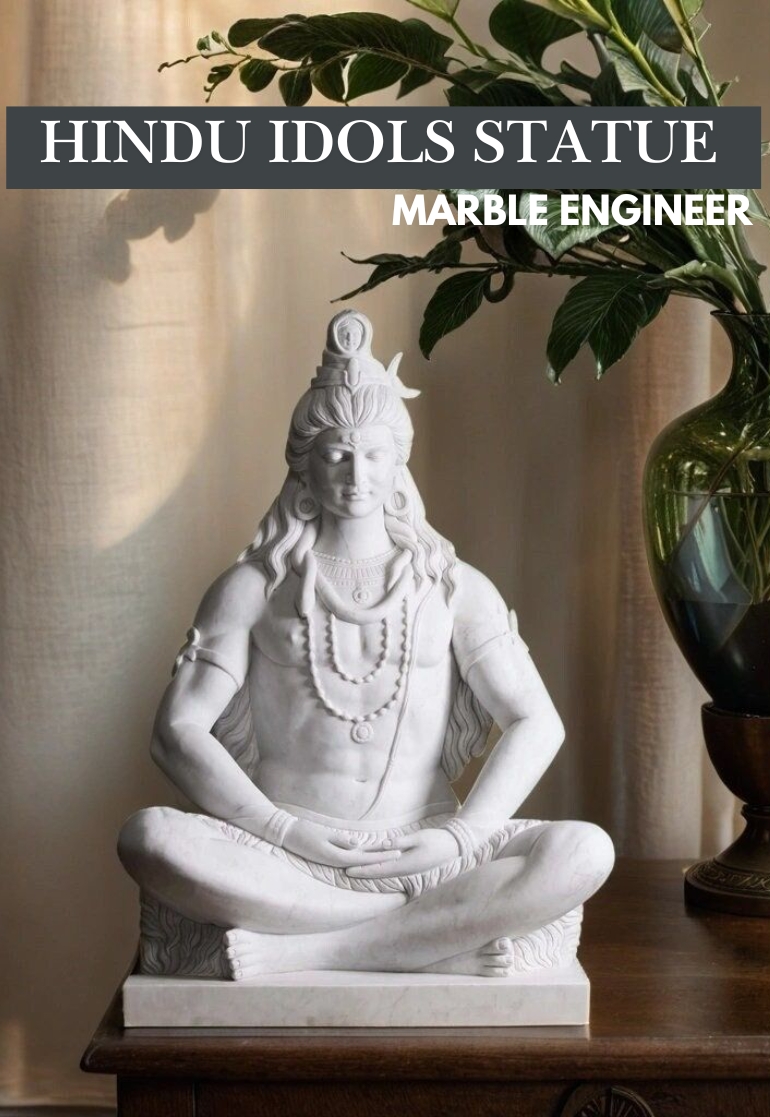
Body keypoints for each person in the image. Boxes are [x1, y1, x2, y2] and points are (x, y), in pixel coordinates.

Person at [119, 310, 614, 980]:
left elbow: (537, 721)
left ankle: (321, 948)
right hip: (287, 853)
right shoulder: (254, 587)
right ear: (305, 466)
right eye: (336, 455)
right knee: (150, 837)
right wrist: (284, 831)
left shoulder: (453, 587)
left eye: (374, 455)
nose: (357, 474)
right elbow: (176, 731)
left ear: (397, 462)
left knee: (584, 851)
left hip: (427, 847)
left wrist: (459, 838)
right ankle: (428, 934)